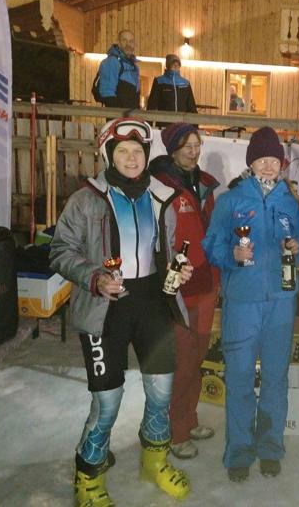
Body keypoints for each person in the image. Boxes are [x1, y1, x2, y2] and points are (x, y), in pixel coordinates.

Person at [50, 117, 194, 504]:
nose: (132, 158)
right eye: (123, 151)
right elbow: (60, 250)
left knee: (161, 393)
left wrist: (177, 270)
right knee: (107, 402)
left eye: (138, 151)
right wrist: (94, 278)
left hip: (152, 303)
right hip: (106, 308)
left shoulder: (162, 197)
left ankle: (154, 461)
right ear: (109, 155)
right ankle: (88, 478)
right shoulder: (86, 199)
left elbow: (165, 249)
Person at [203, 127, 299, 483]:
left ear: (281, 164)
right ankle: (239, 452)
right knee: (240, 379)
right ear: (251, 163)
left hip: (281, 301)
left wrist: (298, 248)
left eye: (273, 160)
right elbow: (211, 245)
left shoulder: (289, 200)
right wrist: (231, 254)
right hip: (242, 303)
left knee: (276, 379)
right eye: (261, 160)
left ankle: (271, 448)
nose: (267, 166)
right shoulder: (231, 201)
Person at [149, 123, 220, 460]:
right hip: (178, 289)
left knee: (199, 357)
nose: (193, 151)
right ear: (172, 149)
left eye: (197, 144)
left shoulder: (205, 184)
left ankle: (189, 419)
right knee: (183, 362)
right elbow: (156, 240)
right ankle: (175, 432)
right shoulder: (160, 187)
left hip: (207, 284)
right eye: (186, 146)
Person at [94, 30, 141, 109]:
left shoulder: (134, 67)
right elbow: (107, 93)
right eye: (124, 40)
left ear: (134, 44)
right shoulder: (111, 62)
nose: (128, 44)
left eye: (131, 41)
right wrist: (119, 113)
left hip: (131, 114)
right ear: (118, 42)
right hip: (118, 114)